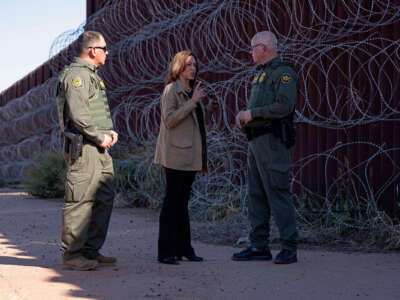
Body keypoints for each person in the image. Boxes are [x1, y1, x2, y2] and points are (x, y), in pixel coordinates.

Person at [232, 31, 299, 264]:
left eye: (253, 48)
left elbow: (284, 107)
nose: (251, 52)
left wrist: (253, 113)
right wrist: (245, 117)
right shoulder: (262, 74)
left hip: (271, 141)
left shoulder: (284, 73)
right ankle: (259, 245)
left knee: (277, 191)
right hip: (256, 140)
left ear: (264, 48)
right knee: (256, 193)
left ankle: (289, 246)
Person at [56, 31, 118, 270]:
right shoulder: (77, 76)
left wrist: (109, 132)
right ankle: (72, 255)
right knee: (80, 200)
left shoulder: (91, 76)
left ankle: (91, 251)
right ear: (93, 50)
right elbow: (79, 114)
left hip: (100, 148)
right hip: (86, 148)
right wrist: (99, 135)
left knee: (104, 197)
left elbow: (93, 112)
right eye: (104, 49)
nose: (107, 53)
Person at [154, 50, 218, 265]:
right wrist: (193, 102)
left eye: (195, 65)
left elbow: (195, 121)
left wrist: (208, 108)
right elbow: (170, 120)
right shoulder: (172, 90)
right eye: (189, 64)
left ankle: (184, 248)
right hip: (175, 154)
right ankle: (165, 251)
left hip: (191, 155)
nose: (193, 68)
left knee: (182, 203)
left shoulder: (192, 90)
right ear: (178, 68)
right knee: (172, 202)